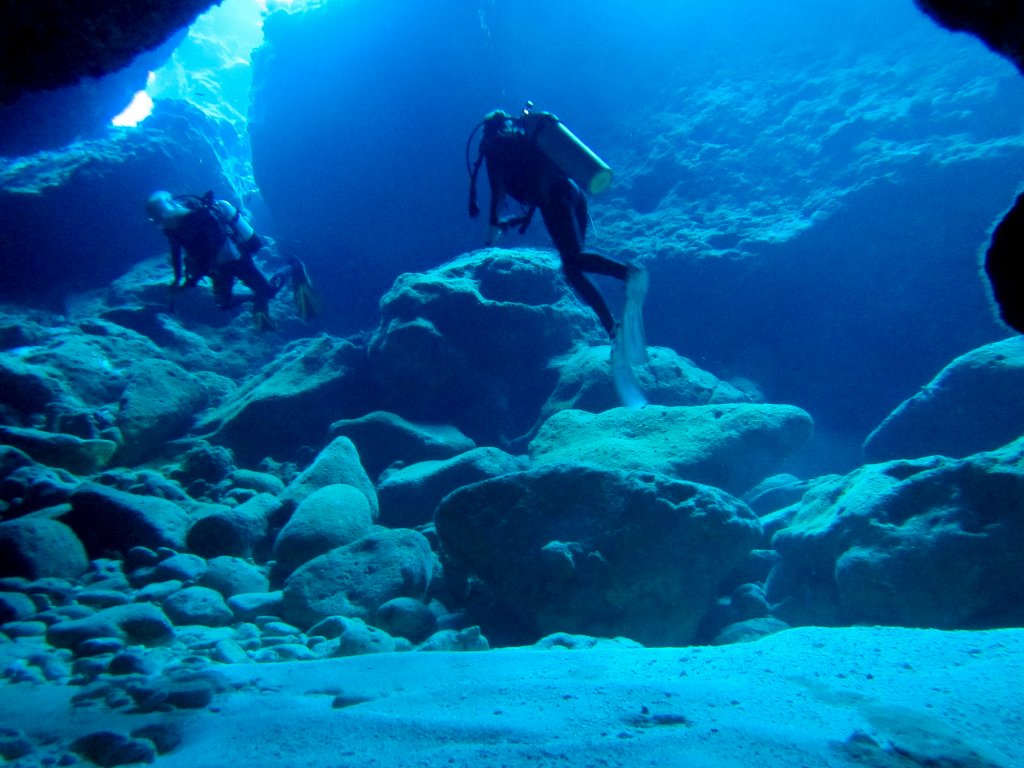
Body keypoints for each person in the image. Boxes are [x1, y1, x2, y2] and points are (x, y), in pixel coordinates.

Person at [467, 107, 646, 343]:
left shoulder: (495, 148)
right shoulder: (524, 140)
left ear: (487, 133)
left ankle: (629, 275)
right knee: (573, 265)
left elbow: (498, 191)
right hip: (574, 192)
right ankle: (612, 327)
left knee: (573, 260)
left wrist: (492, 227)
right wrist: (509, 221)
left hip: (555, 196)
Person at [146, 190, 316, 329]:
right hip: (217, 267)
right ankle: (258, 297)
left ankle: (293, 266)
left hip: (236, 258)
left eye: (162, 217)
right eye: (158, 220)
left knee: (269, 292)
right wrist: (177, 279)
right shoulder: (171, 228)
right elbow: (175, 250)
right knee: (224, 303)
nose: (163, 223)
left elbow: (213, 249)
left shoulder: (201, 216)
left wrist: (187, 284)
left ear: (169, 207)